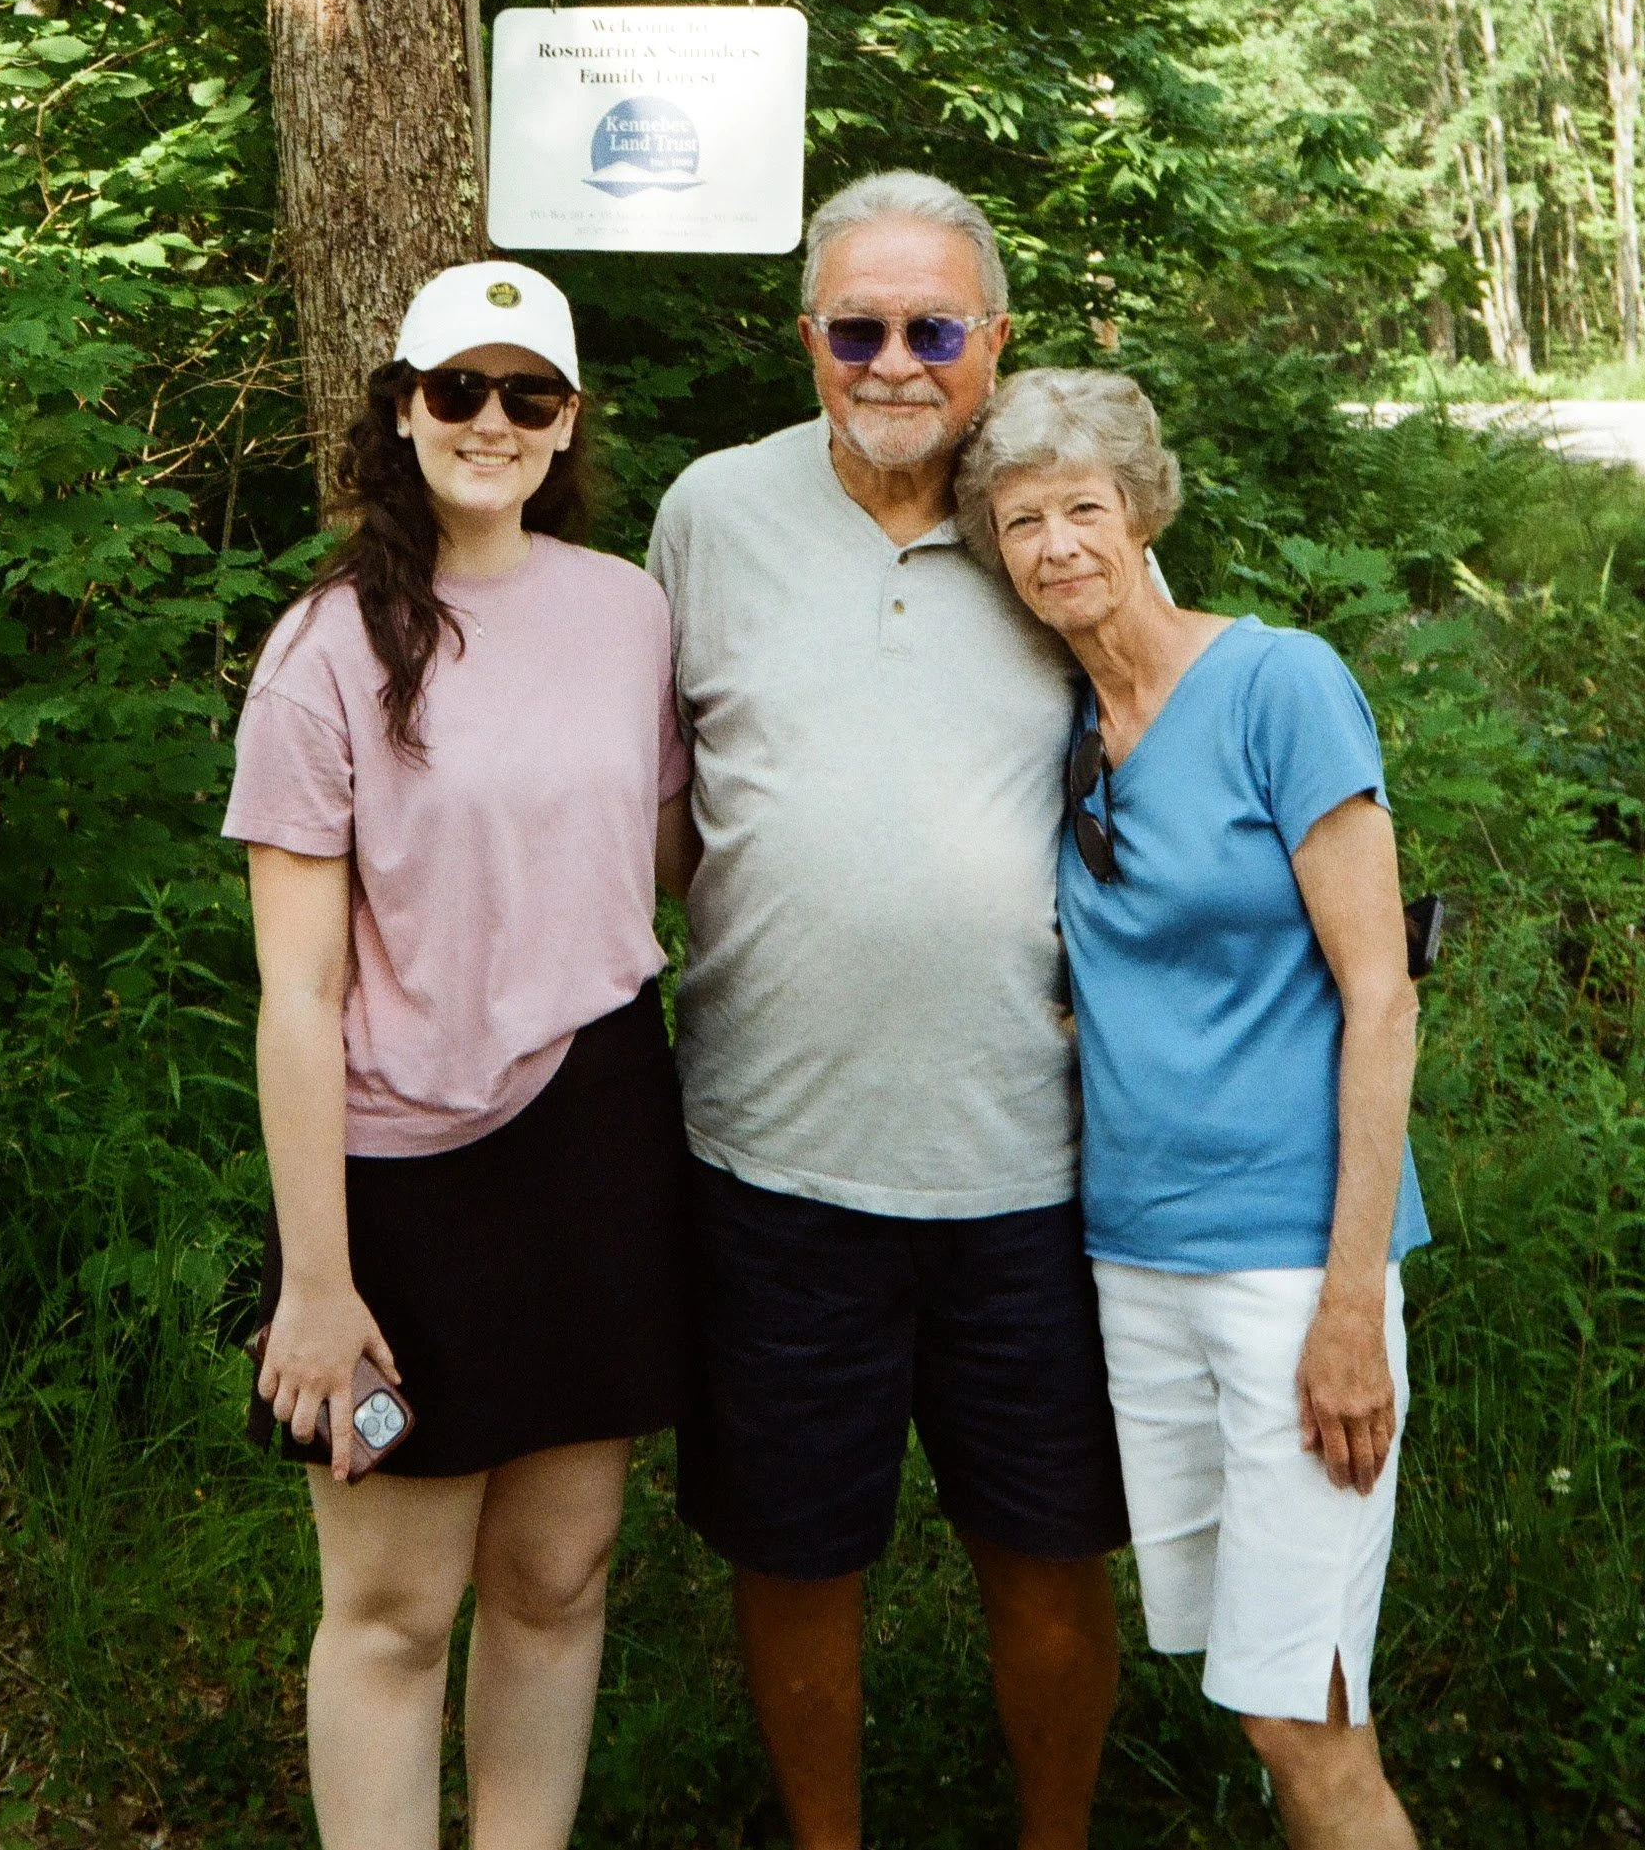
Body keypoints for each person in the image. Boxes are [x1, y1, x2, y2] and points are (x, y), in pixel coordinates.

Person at [649, 171, 1129, 1850]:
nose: (896, 362)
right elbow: (651, 800)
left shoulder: (1051, 523)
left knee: (1052, 1549)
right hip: (774, 1153)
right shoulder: (710, 512)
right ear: (808, 342)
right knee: (795, 1554)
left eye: (935, 329)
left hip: (1035, 1162)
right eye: (859, 329)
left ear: (995, 342)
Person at [223, 262, 697, 1850]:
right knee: (393, 1610)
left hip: (602, 1135)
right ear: (403, 406)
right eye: (459, 390)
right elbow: (294, 995)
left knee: (557, 1578)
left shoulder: (627, 610)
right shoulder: (324, 648)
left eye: (529, 396)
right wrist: (316, 1278)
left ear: (567, 425)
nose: (493, 422)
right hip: (398, 1183)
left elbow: (677, 851)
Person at [959, 366, 1427, 1850]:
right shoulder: (1069, 735)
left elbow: (1383, 997)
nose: (1055, 545)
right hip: (1136, 1262)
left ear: (1146, 509)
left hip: (1292, 1267)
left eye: (1082, 506)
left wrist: (1351, 1300)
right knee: (1262, 1693)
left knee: (1306, 1708)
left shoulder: (1279, 682)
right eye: (1021, 521)